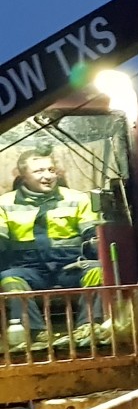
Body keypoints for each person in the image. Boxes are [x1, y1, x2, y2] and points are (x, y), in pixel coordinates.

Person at [1, 148, 103, 347]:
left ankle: (89, 327)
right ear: (23, 176)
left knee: (98, 271)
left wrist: (96, 242)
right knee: (10, 278)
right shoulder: (4, 204)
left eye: (51, 170)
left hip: (70, 266)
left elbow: (92, 232)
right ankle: (35, 333)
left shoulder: (77, 199)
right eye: (39, 171)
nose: (47, 176)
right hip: (30, 269)